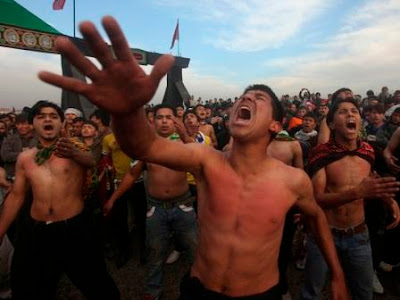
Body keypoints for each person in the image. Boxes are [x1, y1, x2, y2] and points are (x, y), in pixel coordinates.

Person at [39, 16, 348, 299]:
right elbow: (144, 147)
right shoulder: (206, 161)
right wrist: (127, 111)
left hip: (260, 292)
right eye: (244, 95)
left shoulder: (293, 180)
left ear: (275, 125)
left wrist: (336, 275)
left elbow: (317, 217)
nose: (246, 98)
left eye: (259, 98)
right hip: (201, 289)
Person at [0, 101, 119, 299]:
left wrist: (73, 152)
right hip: (36, 231)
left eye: (54, 116)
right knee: (29, 287)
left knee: (99, 286)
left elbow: (91, 161)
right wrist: (1, 230)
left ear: (62, 123)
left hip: (74, 229)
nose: (48, 119)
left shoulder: (76, 149)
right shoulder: (25, 158)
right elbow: (17, 195)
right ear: (32, 124)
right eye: (41, 116)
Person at [302, 97, 400, 300]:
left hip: (358, 235)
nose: (350, 114)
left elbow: (370, 180)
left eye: (354, 111)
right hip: (323, 234)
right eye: (343, 111)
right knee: (313, 292)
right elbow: (316, 199)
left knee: (363, 293)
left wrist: (388, 200)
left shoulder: (368, 151)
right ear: (331, 124)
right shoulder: (321, 154)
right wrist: (357, 193)